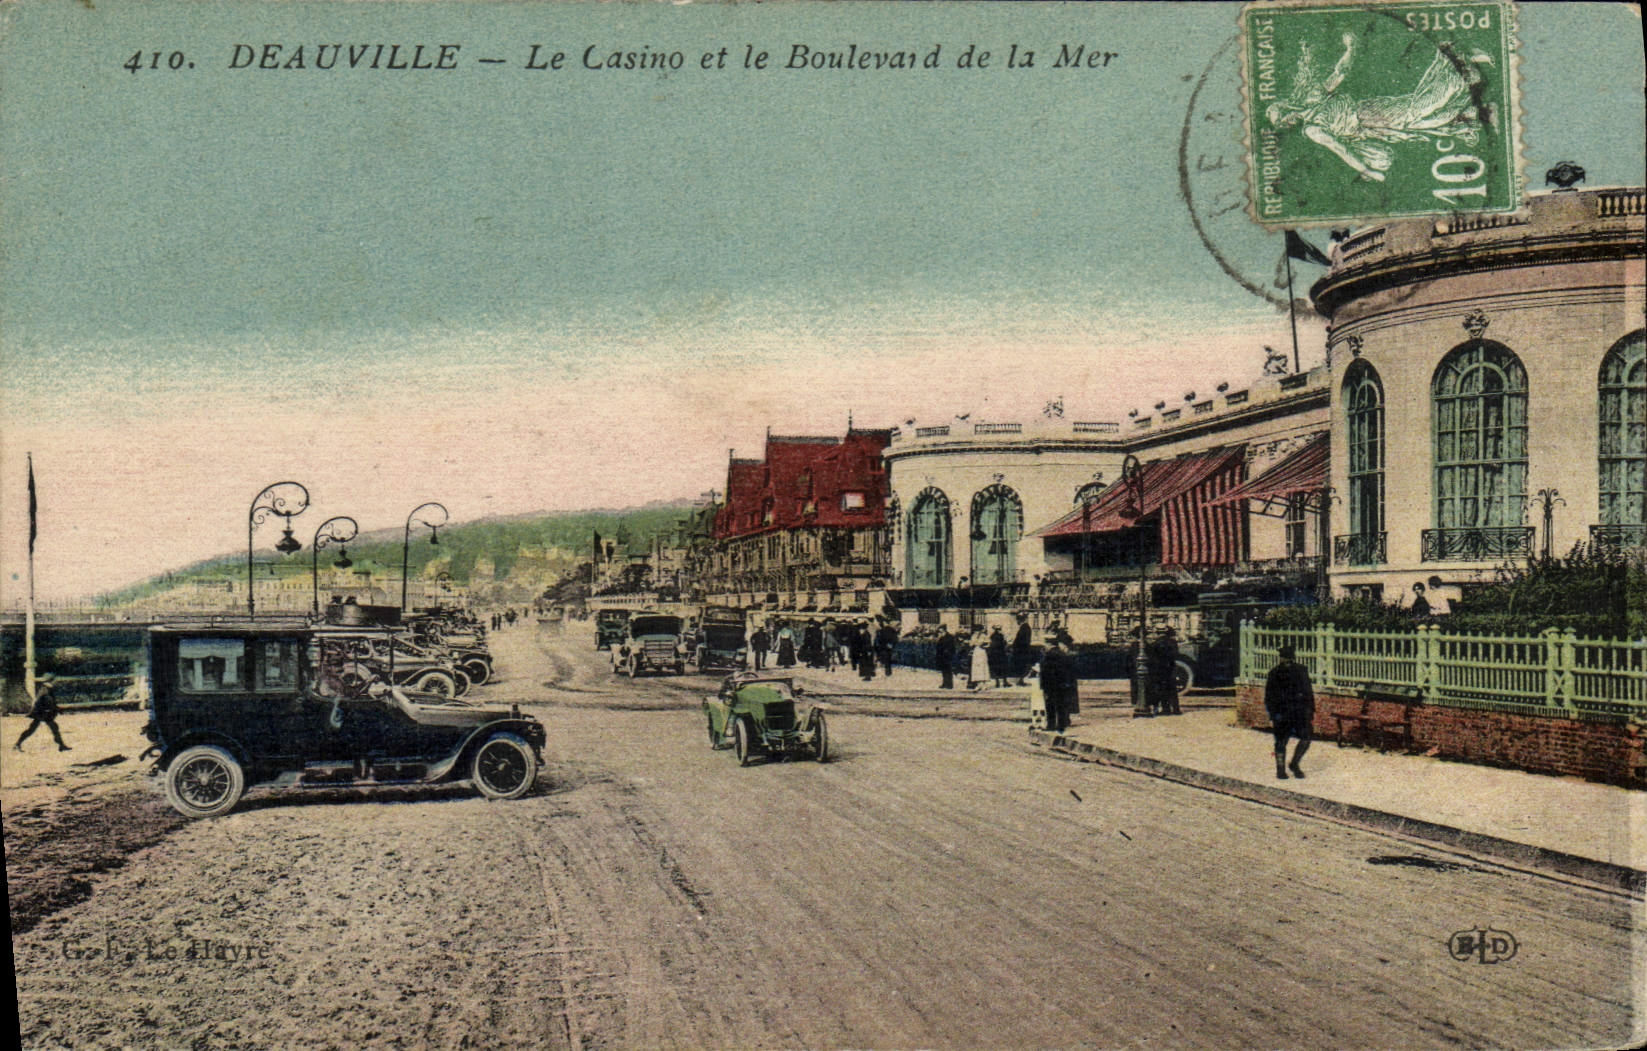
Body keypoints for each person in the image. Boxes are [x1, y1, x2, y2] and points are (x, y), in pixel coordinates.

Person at [1264, 644, 1316, 780]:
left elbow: (1308, 692)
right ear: (1280, 658)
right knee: (1281, 742)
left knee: (1306, 738)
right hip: (1282, 713)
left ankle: (1294, 764)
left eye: (1290, 659)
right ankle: (1280, 770)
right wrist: (1274, 714)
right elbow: (1269, 696)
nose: (1287, 661)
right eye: (1285, 658)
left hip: (1299, 712)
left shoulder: (1301, 671)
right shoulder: (1274, 673)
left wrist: (1310, 710)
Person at [14, 674, 70, 752]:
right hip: (41, 713)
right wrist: (58, 709)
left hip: (42, 713)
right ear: (51, 681)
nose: (56, 682)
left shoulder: (46, 688)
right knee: (35, 729)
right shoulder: (46, 690)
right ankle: (17, 744)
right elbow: (50, 703)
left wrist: (56, 709)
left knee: (52, 728)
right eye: (54, 680)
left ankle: (61, 745)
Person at [1039, 634, 1078, 734]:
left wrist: (1044, 685)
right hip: (1061, 684)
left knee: (1050, 705)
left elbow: (1046, 671)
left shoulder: (1050, 655)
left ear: (1049, 643)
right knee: (1060, 705)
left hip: (1051, 684)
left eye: (1045, 643)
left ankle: (1051, 725)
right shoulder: (1061, 654)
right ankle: (1061, 725)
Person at [1148, 628, 1182, 715]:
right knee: (1172, 690)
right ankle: (1176, 709)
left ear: (1158, 633)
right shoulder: (1173, 642)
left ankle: (1166, 709)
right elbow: (1176, 655)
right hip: (1171, 667)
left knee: (1162, 690)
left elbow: (1152, 657)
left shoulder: (1155, 643)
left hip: (1160, 669)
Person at [1011, 613, 1033, 686]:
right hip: (1022, 650)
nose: (1017, 621)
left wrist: (1015, 646)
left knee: (1022, 665)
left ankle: (1021, 680)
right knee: (1022, 665)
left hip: (1022, 650)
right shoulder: (1025, 627)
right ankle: (1021, 680)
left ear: (1020, 620)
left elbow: (1021, 640)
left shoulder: (1024, 628)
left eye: (1018, 619)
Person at [934, 624, 957, 690]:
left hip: (948, 656)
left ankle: (949, 684)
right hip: (942, 656)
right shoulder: (941, 637)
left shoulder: (949, 637)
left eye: (941, 630)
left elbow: (952, 647)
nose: (939, 631)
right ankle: (944, 683)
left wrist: (948, 654)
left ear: (944, 630)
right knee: (943, 671)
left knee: (948, 670)